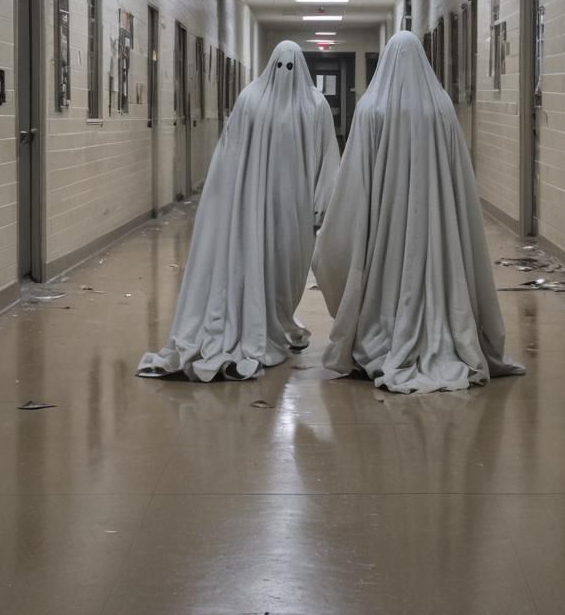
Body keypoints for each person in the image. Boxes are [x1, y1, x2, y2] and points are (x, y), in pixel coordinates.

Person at [313, 30, 524, 394]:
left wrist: (338, 226)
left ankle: (385, 329)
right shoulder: (440, 107)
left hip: (383, 226)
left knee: (385, 271)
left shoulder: (370, 108)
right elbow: (459, 174)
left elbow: (354, 180)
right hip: (437, 223)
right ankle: (447, 334)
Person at [138, 41, 339, 381]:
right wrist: (226, 200)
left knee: (286, 267)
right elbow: (229, 154)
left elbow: (325, 157)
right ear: (271, 65)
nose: (285, 75)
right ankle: (266, 325)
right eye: (281, 66)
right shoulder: (254, 100)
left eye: (291, 68)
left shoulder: (313, 105)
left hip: (295, 207)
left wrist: (322, 203)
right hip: (253, 204)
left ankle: (278, 321)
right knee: (261, 262)